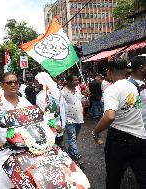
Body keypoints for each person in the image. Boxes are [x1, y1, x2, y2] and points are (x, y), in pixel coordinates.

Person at [92, 59, 146, 189]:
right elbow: (136, 108)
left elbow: (110, 116)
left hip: (118, 139)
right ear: (125, 71)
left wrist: (96, 131)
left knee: (113, 177)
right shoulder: (133, 86)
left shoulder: (112, 89)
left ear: (110, 72)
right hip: (140, 136)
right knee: (143, 177)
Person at [0, 73, 32, 189]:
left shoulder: (25, 102)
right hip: (5, 151)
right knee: (5, 179)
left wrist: (51, 125)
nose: (13, 84)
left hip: (27, 148)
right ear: (2, 85)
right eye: (9, 82)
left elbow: (36, 121)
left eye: (15, 82)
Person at [61, 74, 84, 165]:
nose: (77, 82)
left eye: (77, 80)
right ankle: (75, 158)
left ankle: (72, 153)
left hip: (79, 118)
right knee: (72, 138)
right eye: (75, 80)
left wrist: (85, 95)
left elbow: (81, 100)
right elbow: (61, 107)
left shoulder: (77, 89)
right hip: (69, 119)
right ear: (69, 81)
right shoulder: (62, 92)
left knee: (74, 138)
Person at [128, 56, 146, 129]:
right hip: (139, 132)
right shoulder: (131, 87)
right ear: (141, 68)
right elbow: (132, 110)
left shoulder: (143, 84)